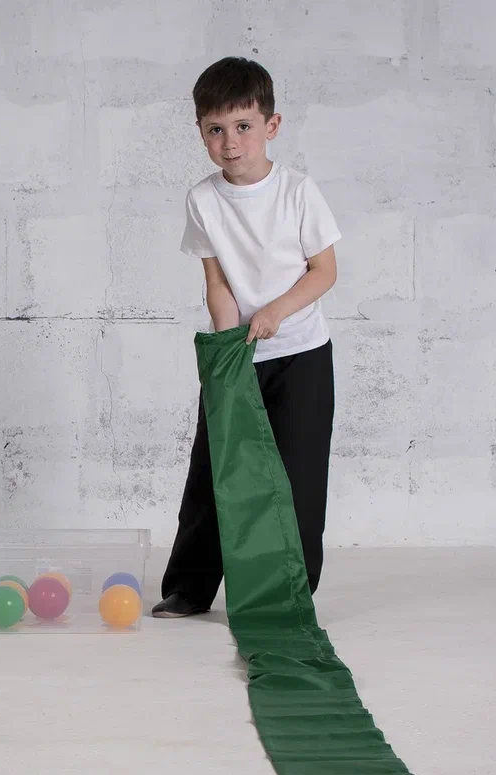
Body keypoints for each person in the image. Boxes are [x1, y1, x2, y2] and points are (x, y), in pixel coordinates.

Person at [154, 57, 341, 617]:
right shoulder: (203, 199)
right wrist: (228, 342)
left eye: (243, 126)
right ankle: (189, 588)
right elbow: (217, 282)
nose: (230, 142)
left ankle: (289, 594)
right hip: (240, 354)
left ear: (271, 125)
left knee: (297, 478)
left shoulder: (298, 192)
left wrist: (276, 312)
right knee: (215, 468)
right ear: (200, 132)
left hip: (301, 354)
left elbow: (324, 271)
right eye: (215, 129)